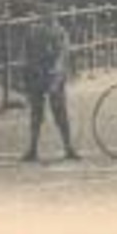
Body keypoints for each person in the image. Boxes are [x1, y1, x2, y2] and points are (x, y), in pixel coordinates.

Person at [22, 12, 80, 162]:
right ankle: (67, 147)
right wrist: (58, 74)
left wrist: (28, 77)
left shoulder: (34, 31)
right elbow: (63, 55)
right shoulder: (58, 31)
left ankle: (35, 148)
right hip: (49, 75)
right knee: (57, 112)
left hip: (40, 74)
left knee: (40, 112)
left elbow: (26, 57)